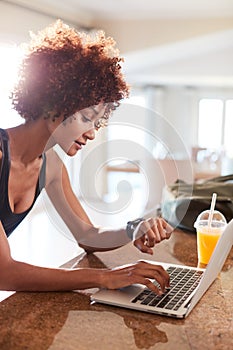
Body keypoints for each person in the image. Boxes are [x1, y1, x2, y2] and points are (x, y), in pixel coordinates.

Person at [0, 20, 173, 295]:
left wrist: (134, 229)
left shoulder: (52, 165)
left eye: (97, 122)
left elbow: (87, 236)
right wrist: (105, 277)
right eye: (85, 118)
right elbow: (4, 273)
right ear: (52, 104)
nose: (92, 133)